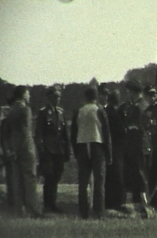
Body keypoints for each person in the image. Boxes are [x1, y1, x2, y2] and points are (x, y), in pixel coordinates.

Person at [71, 86, 112, 219]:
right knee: (99, 181)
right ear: (96, 97)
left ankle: (83, 212)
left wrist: (76, 150)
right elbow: (106, 134)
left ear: (85, 97)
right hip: (97, 144)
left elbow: (73, 132)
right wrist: (109, 154)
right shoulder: (100, 110)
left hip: (82, 144)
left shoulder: (79, 111)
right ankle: (99, 212)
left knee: (83, 182)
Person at [6, 86, 43, 217]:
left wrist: (11, 149)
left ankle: (20, 210)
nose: (29, 97)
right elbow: (26, 132)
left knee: (18, 181)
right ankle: (34, 211)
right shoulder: (25, 110)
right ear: (22, 95)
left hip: (14, 149)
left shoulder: (10, 111)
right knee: (30, 180)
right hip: (26, 149)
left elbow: (8, 133)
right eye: (28, 94)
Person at [35, 87, 71, 213]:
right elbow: (39, 134)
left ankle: (53, 203)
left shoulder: (61, 113)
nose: (58, 99)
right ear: (49, 97)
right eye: (56, 96)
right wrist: (41, 151)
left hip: (59, 150)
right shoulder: (43, 112)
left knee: (57, 176)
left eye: (59, 96)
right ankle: (47, 204)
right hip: (48, 150)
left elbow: (65, 134)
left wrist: (67, 151)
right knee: (49, 177)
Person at [118, 80, 149, 205]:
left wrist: (132, 127)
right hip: (132, 144)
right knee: (134, 172)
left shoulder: (141, 106)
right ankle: (137, 199)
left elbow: (142, 125)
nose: (128, 94)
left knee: (140, 172)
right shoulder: (132, 106)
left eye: (129, 92)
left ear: (134, 92)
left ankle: (144, 200)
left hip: (140, 144)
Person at [104, 90, 126, 209]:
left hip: (108, 147)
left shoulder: (105, 112)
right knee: (118, 176)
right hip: (116, 147)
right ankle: (118, 202)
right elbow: (121, 131)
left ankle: (108, 201)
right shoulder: (115, 113)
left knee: (109, 176)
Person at [0, 98, 15, 207]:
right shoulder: (6, 121)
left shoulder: (6, 121)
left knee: (10, 176)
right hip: (4, 151)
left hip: (6, 151)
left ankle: (11, 198)